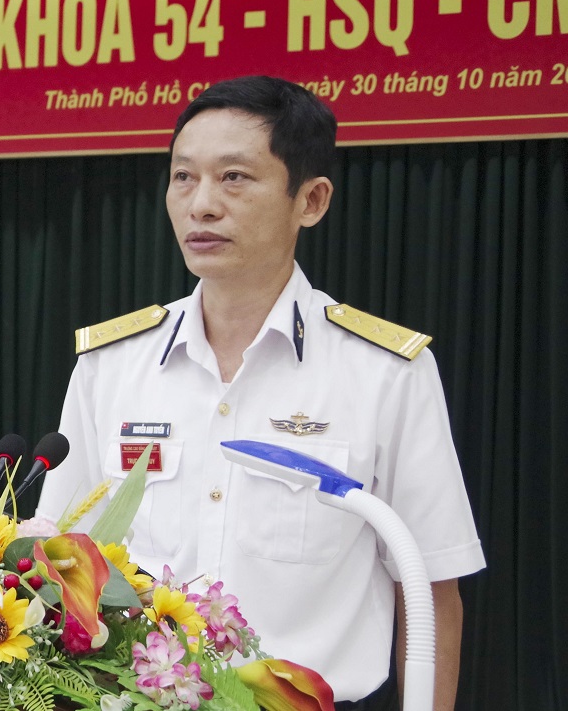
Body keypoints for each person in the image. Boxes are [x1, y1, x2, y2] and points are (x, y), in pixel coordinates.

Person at [36, 76, 485, 710]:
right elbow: (60, 560)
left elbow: (431, 587)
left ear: (311, 200)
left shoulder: (385, 373)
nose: (201, 205)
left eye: (235, 178)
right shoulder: (111, 365)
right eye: (183, 177)